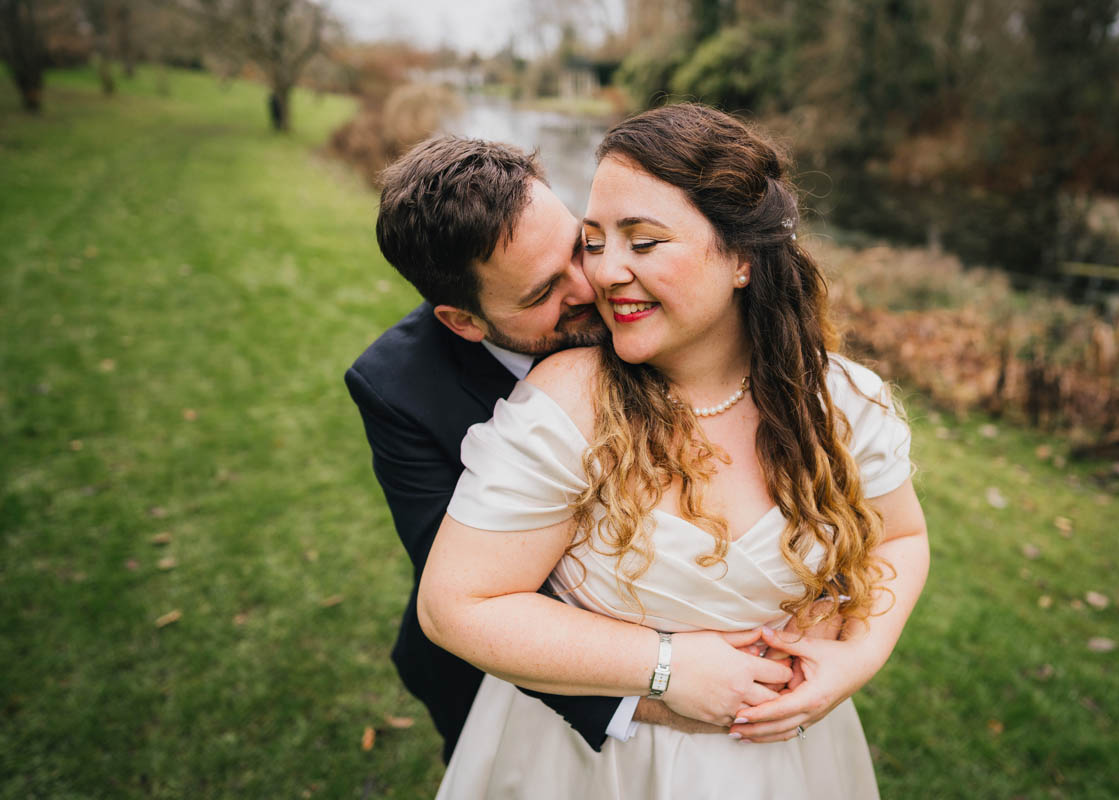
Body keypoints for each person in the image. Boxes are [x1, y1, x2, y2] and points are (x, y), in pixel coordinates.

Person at [418, 104, 930, 797]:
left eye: (644, 240)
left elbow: (899, 537)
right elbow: (458, 605)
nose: (603, 272)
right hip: (593, 769)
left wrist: (859, 656)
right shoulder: (570, 403)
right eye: (594, 241)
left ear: (743, 257)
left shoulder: (843, 400)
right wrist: (666, 668)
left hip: (792, 764)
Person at [345, 136, 811, 764]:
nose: (592, 286)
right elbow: (483, 600)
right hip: (503, 684)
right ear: (464, 321)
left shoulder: (655, 317)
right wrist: (669, 693)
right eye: (542, 294)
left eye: (578, 246)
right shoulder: (396, 388)